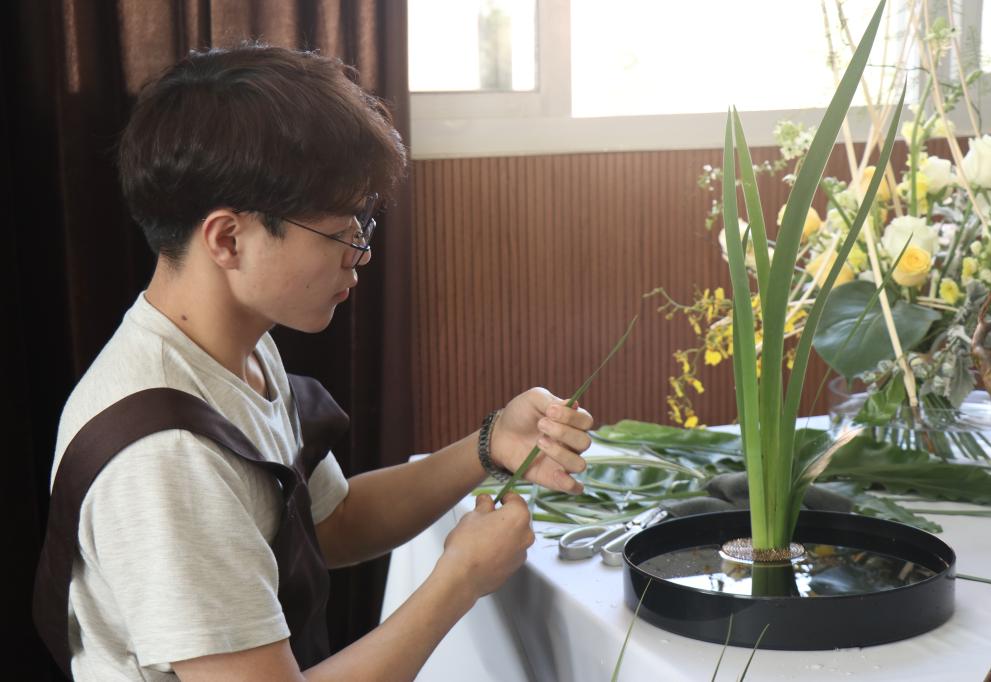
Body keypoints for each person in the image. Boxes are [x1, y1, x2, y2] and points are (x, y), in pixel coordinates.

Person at [34, 45, 593, 681]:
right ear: (228, 238)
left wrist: (490, 445)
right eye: (339, 231)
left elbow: (333, 522)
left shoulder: (236, 351)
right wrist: (460, 579)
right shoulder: (166, 457)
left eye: (363, 223)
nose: (361, 253)